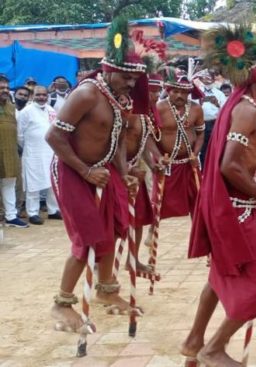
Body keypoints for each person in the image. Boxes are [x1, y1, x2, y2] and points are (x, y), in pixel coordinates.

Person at [182, 25, 256, 366]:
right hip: (237, 209)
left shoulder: (245, 106)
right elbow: (229, 166)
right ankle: (213, 348)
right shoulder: (247, 110)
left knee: (219, 275)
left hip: (240, 206)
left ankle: (194, 340)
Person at [47, 18, 151, 332]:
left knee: (115, 229)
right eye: (126, 77)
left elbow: (117, 140)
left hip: (102, 172)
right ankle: (61, 305)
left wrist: (125, 171)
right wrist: (86, 171)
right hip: (73, 171)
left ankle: (107, 291)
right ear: (107, 69)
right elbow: (53, 137)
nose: (131, 84)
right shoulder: (87, 95)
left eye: (134, 79)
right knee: (88, 240)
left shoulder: (119, 100)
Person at [125, 73, 165, 278]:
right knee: (116, 224)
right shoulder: (126, 110)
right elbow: (112, 144)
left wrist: (154, 163)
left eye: (159, 90)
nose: (156, 94)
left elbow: (143, 142)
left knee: (139, 219)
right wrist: (126, 170)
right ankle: (100, 266)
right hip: (118, 173)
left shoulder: (144, 113)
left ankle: (133, 259)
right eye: (152, 90)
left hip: (135, 173)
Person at [154, 67, 205, 220]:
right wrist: (157, 157)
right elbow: (149, 136)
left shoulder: (196, 109)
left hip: (190, 165)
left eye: (183, 92)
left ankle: (200, 238)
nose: (179, 95)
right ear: (168, 90)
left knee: (198, 204)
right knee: (160, 206)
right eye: (175, 91)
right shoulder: (159, 108)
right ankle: (154, 236)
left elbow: (200, 133)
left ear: (189, 93)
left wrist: (195, 154)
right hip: (168, 165)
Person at [16, 85, 61, 225]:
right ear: (32, 96)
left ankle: (53, 210)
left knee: (52, 183)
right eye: (38, 95)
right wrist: (30, 147)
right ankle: (33, 212)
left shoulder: (51, 110)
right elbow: (19, 135)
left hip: (50, 152)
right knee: (33, 184)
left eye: (44, 95)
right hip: (33, 153)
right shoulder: (26, 111)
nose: (41, 97)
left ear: (47, 96)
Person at [0, 74, 27, 227]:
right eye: (1, 88)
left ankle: (11, 216)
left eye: (6, 88)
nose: (4, 90)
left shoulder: (11, 107)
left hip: (9, 152)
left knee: (9, 182)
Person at [196, 69, 227, 166]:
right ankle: (204, 172)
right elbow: (192, 107)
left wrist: (217, 104)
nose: (207, 79)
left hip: (215, 123)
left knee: (215, 147)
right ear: (201, 78)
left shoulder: (219, 94)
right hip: (200, 124)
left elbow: (225, 110)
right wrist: (201, 102)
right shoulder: (196, 93)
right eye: (205, 77)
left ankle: (214, 169)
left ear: (214, 79)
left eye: (210, 77)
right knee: (203, 149)